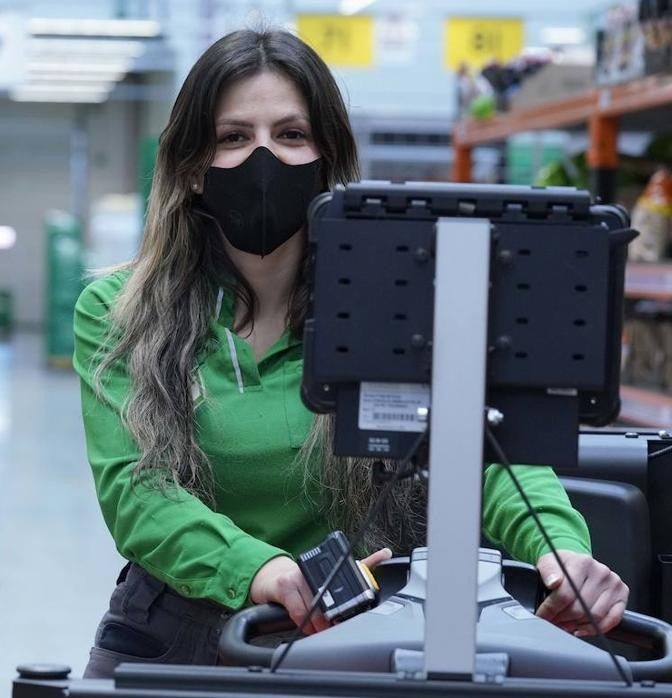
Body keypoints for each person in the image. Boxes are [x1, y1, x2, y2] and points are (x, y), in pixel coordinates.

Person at [73, 29, 629, 678]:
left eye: (290, 134)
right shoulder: (119, 311)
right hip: (176, 634)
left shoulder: (401, 302)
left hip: (359, 622)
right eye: (233, 137)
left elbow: (487, 447)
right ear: (193, 167)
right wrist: (264, 571)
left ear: (326, 159)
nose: (263, 158)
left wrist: (558, 550)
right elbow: (139, 493)